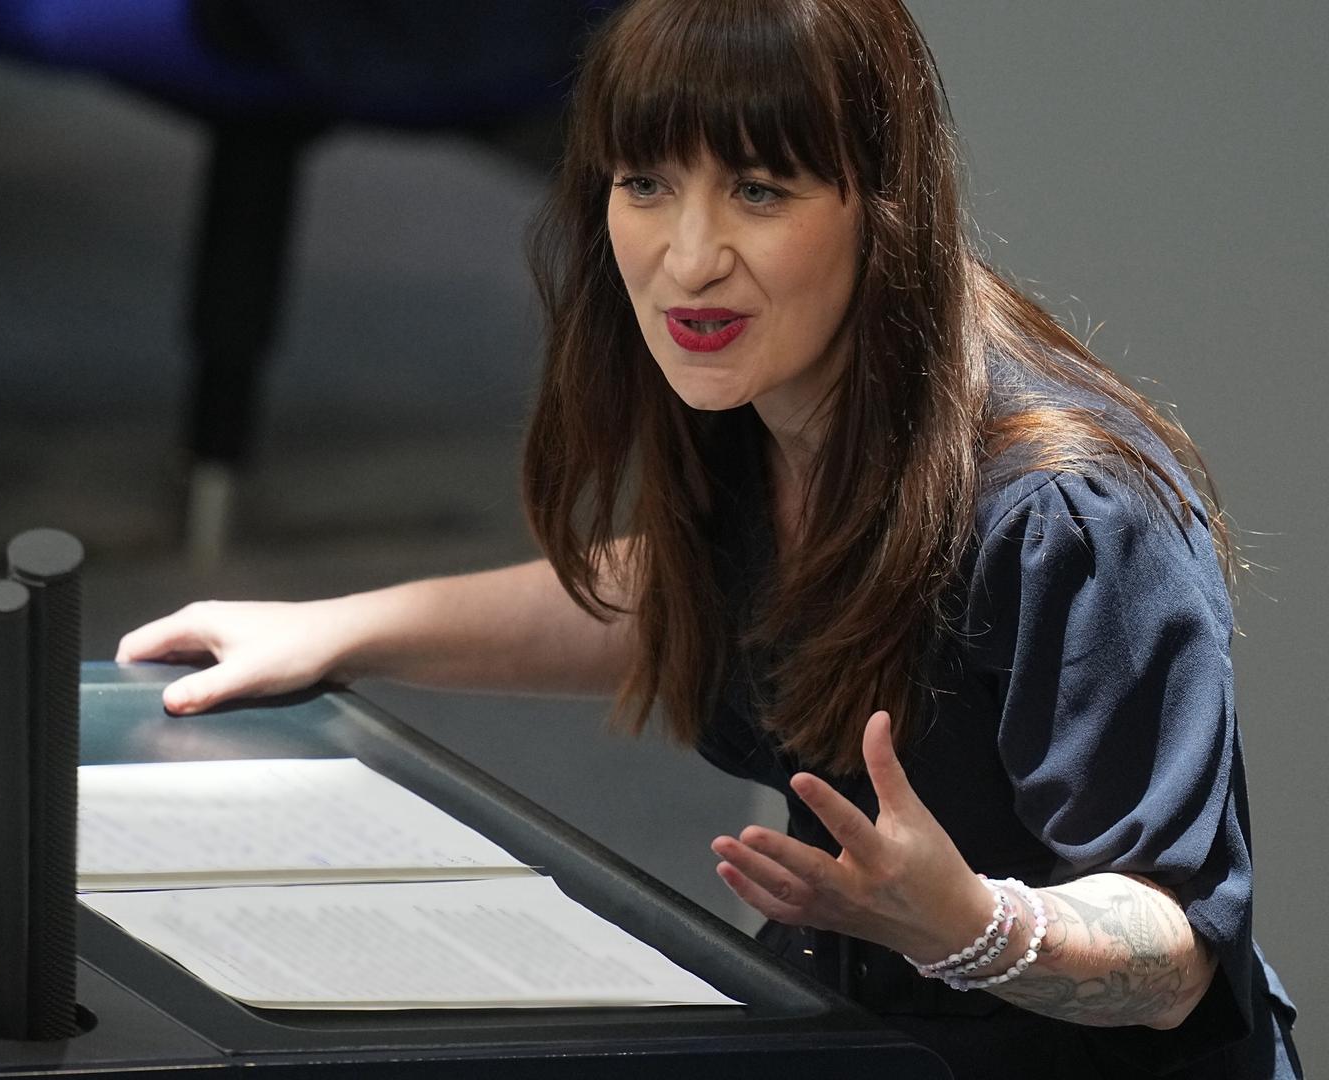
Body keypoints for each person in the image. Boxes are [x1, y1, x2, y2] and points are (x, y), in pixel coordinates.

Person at [115, 0, 1301, 1075]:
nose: (688, 257)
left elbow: (1174, 951)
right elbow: (689, 592)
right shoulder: (756, 391)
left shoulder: (1068, 515)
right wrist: (339, 628)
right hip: (861, 1028)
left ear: (882, 205)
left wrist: (971, 925)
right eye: (646, 183)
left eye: (761, 192)